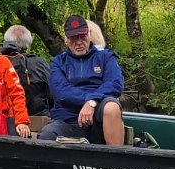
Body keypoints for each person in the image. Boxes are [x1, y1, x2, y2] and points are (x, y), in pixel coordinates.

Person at [38, 15, 125, 144]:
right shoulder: (58, 62)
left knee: (111, 107)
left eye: (82, 37)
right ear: (66, 40)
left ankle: (116, 156)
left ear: (89, 34)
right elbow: (62, 93)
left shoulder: (106, 57)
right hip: (68, 120)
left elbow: (115, 83)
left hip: (99, 117)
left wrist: (92, 101)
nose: (79, 42)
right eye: (74, 38)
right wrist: (89, 99)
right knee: (47, 134)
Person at [0, 24, 51, 116]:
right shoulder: (39, 63)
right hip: (37, 117)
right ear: (28, 43)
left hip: (5, 116)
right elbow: (52, 92)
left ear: (7, 40)